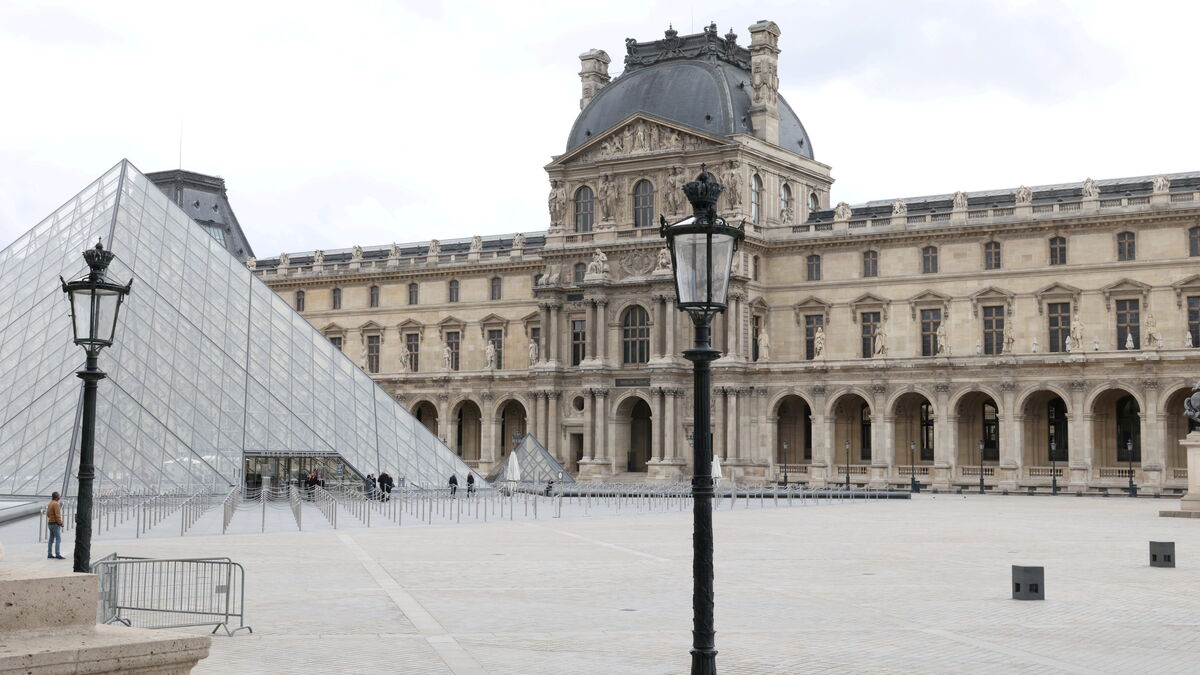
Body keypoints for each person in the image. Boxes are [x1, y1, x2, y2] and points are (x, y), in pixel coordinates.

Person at [46, 492, 64, 560]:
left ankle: (49, 554)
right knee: (58, 539)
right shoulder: (56, 504)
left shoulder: (50, 503)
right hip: (55, 524)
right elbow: (57, 515)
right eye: (59, 496)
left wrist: (51, 517)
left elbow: (48, 514)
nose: (60, 497)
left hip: (50, 523)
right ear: (57, 497)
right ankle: (57, 554)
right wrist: (60, 523)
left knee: (51, 540)